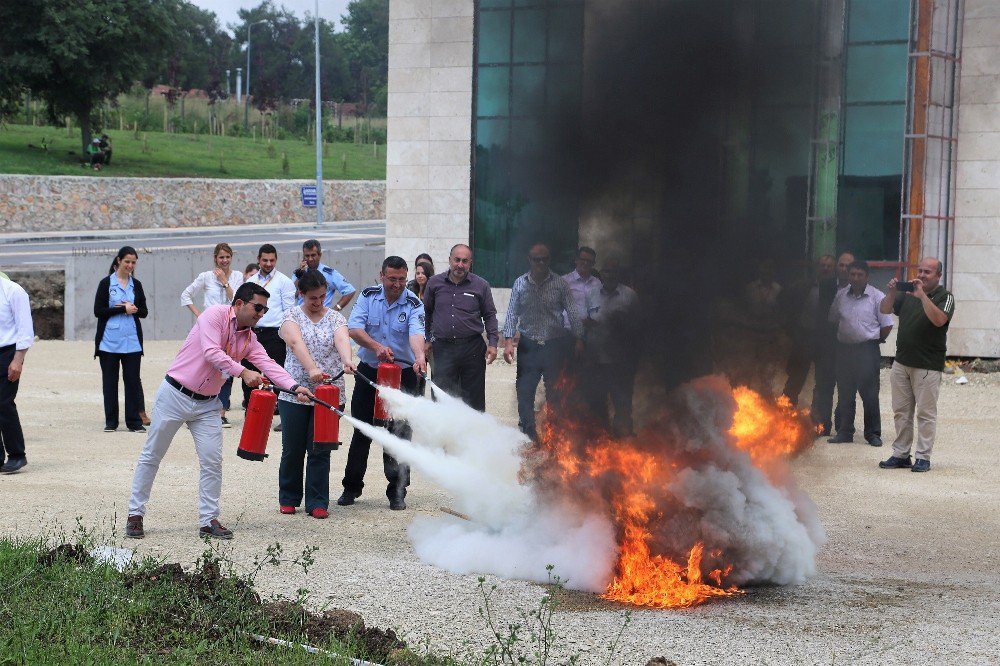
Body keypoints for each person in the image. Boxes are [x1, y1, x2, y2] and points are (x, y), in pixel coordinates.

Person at [125, 283, 313, 540]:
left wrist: (295, 386)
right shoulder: (214, 315)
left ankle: (208, 519)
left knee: (212, 461)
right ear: (238, 304)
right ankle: (135, 514)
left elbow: (268, 363)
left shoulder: (249, 338)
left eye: (265, 309)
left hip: (208, 405)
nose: (261, 313)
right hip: (175, 394)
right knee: (152, 455)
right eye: (257, 307)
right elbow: (211, 352)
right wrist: (243, 371)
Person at [338, 256, 427, 511]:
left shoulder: (413, 302)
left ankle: (397, 491)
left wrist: (420, 356)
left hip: (403, 374)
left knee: (399, 433)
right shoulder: (368, 296)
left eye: (401, 279)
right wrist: (376, 347)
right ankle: (351, 487)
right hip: (370, 372)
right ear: (382, 275)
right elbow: (354, 329)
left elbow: (416, 333)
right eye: (392, 279)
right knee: (362, 430)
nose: (397, 284)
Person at [277, 271, 356, 518]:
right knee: (293, 447)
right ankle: (289, 497)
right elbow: (295, 343)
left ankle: (318, 501)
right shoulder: (291, 316)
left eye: (322, 296)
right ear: (302, 294)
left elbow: (343, 340)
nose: (318, 302)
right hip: (294, 392)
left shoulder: (335, 317)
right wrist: (311, 368)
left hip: (329, 394)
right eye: (313, 297)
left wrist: (347, 360)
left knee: (320, 447)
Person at [878, 257, 955, 473]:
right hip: (901, 362)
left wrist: (922, 296)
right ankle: (901, 454)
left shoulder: (945, 297)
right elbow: (884, 310)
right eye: (920, 270)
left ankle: (923, 457)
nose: (921, 275)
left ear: (938, 275)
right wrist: (893, 292)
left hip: (927, 365)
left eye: (927, 272)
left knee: (925, 413)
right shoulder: (907, 293)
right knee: (901, 411)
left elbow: (939, 320)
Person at [502, 243, 584, 441]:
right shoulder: (520, 283)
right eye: (536, 259)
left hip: (553, 346)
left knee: (555, 393)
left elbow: (573, 312)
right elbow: (512, 312)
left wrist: (580, 338)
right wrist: (508, 341)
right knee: (525, 391)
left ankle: (554, 433)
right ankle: (528, 433)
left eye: (544, 259)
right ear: (529, 260)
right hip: (528, 345)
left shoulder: (560, 284)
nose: (541, 263)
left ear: (549, 260)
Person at [423, 244, 499, 411]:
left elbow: (490, 316)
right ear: (449, 260)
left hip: (472, 349)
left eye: (465, 261)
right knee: (442, 395)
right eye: (457, 260)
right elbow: (426, 313)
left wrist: (493, 343)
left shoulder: (481, 285)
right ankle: (443, 435)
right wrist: (427, 340)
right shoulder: (434, 284)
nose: (460, 265)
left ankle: (473, 435)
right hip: (442, 348)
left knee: (474, 399)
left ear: (470, 263)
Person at [827, 260, 893, 446]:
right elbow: (833, 320)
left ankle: (872, 434)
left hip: (867, 351)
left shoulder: (877, 297)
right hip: (844, 350)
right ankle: (845, 431)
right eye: (852, 275)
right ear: (848, 276)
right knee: (845, 392)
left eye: (860, 275)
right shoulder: (841, 296)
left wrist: (875, 340)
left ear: (867, 277)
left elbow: (887, 325)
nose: (855, 278)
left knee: (870, 394)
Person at [180, 243, 244, 427]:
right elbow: (186, 295)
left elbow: (238, 301)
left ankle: (221, 411)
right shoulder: (206, 277)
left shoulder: (238, 276)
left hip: (230, 327)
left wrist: (225, 282)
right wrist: (199, 315)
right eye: (221, 257)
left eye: (227, 257)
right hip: (211, 327)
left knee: (227, 368)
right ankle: (195, 407)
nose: (224, 260)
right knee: (204, 366)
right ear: (215, 258)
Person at [94, 246, 148, 433]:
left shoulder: (137, 285)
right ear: (118, 261)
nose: (130, 265)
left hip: (131, 342)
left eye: (133, 262)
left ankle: (134, 422)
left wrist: (134, 309)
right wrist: (121, 309)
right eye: (127, 261)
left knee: (132, 381)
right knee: (110, 382)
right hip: (109, 342)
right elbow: (98, 311)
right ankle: (111, 422)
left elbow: (144, 312)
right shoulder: (105, 284)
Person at [583, 258, 639, 436]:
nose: (610, 275)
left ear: (619, 274)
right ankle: (601, 443)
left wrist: (622, 325)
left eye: (613, 272)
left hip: (620, 363)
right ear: (601, 274)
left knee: (622, 406)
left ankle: (624, 446)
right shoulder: (591, 294)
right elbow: (584, 322)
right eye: (606, 271)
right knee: (597, 404)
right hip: (596, 360)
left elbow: (638, 328)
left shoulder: (629, 296)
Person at [241, 244, 296, 419]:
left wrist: (288, 336)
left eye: (272, 260)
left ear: (276, 260)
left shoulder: (284, 281)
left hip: (274, 334)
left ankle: (277, 411)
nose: (268, 263)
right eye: (265, 260)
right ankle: (251, 411)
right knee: (249, 372)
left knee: (276, 373)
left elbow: (289, 311)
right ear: (258, 260)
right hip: (252, 332)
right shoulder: (250, 281)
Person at [782, 255, 836, 405]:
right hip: (804, 338)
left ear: (833, 269)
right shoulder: (804, 286)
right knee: (795, 379)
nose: (825, 268)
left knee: (822, 383)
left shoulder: (837, 290)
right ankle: (785, 414)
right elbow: (791, 309)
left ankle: (818, 422)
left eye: (829, 266)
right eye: (822, 265)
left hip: (825, 342)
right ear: (817, 267)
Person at [813, 251, 855, 435]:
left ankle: (842, 426)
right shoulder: (827, 285)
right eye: (841, 265)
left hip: (848, 346)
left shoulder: (860, 288)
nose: (844, 269)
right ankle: (822, 425)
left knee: (846, 387)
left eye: (848, 266)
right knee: (824, 385)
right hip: (827, 344)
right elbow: (822, 316)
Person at [0, 274, 34, 475]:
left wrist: (18, 359)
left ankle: (17, 454)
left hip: (8, 352)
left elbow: (25, 328)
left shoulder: (13, 290)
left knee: (3, 402)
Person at [294, 239, 356, 312]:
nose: (310, 259)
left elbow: (350, 291)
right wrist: (301, 275)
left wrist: (335, 309)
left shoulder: (329, 273)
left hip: (323, 317)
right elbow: (293, 294)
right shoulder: (299, 273)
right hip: (302, 316)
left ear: (320, 255)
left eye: (313, 255)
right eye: (307, 256)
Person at [563, 246, 600, 328]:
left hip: (591, 330)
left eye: (589, 261)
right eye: (583, 259)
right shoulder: (564, 281)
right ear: (576, 260)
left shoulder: (597, 283)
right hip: (568, 331)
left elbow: (598, 308)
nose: (585, 263)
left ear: (593, 264)